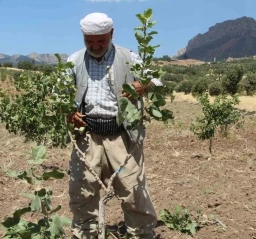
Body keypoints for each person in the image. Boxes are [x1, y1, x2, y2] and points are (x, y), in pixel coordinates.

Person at [66, 12, 162, 239]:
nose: (95, 45)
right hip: (87, 136)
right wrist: (69, 111)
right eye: (89, 41)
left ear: (111, 34)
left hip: (122, 135)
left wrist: (143, 85)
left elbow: (157, 79)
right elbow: (57, 93)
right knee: (82, 190)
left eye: (101, 40)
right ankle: (86, 234)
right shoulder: (74, 60)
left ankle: (140, 234)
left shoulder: (129, 57)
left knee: (133, 190)